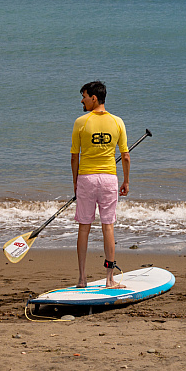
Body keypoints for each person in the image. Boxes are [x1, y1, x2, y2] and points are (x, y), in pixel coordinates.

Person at [70, 81, 129, 289]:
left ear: (94, 98)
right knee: (108, 227)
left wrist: (76, 183)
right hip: (109, 179)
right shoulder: (118, 122)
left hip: (86, 178)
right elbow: (126, 156)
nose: (82, 100)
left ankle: (82, 279)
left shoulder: (80, 122)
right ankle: (109, 279)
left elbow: (74, 158)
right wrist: (126, 181)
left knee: (84, 228)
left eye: (84, 96)